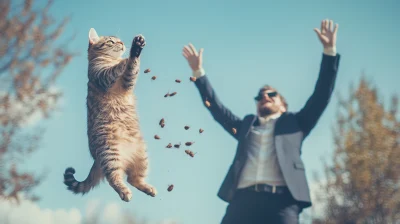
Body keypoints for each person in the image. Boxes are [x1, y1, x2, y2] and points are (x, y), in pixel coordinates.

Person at [182, 19, 341, 223]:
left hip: (282, 203)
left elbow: (321, 95)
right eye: (259, 96)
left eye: (271, 94)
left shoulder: (296, 124)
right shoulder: (246, 126)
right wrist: (199, 73)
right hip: (243, 201)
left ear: (283, 105)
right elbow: (218, 110)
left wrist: (329, 51)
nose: (264, 97)